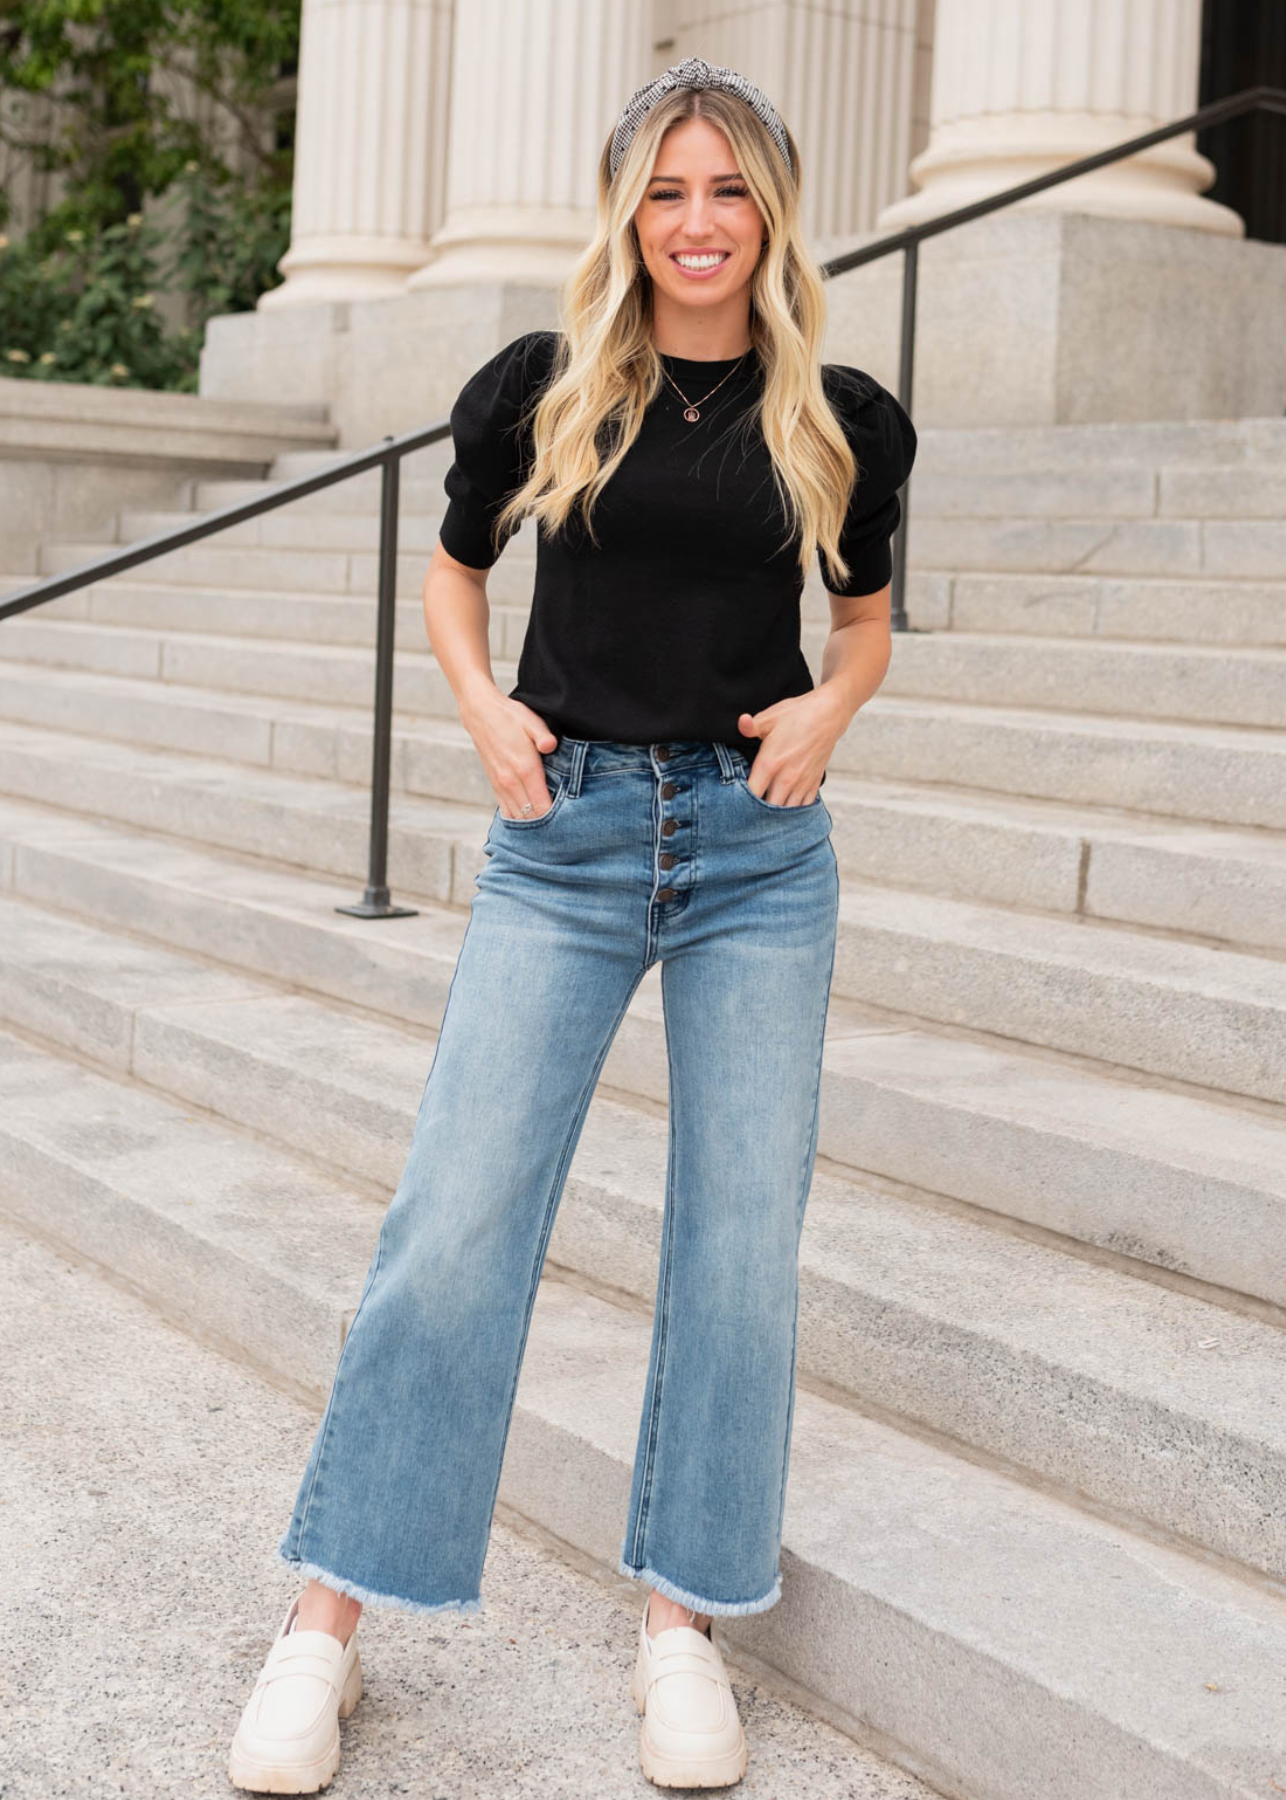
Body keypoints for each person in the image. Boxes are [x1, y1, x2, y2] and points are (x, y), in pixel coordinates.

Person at [229, 53, 916, 1795]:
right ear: (626, 213)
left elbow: (866, 631)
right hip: (569, 835)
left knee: (735, 1250)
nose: (698, 222)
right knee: (453, 1225)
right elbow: (455, 568)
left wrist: (837, 710)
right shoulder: (546, 388)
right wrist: (480, 708)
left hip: (761, 858)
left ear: (770, 210)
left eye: (728, 188)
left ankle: (681, 1626)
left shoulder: (838, 411)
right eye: (667, 191)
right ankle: (327, 1628)